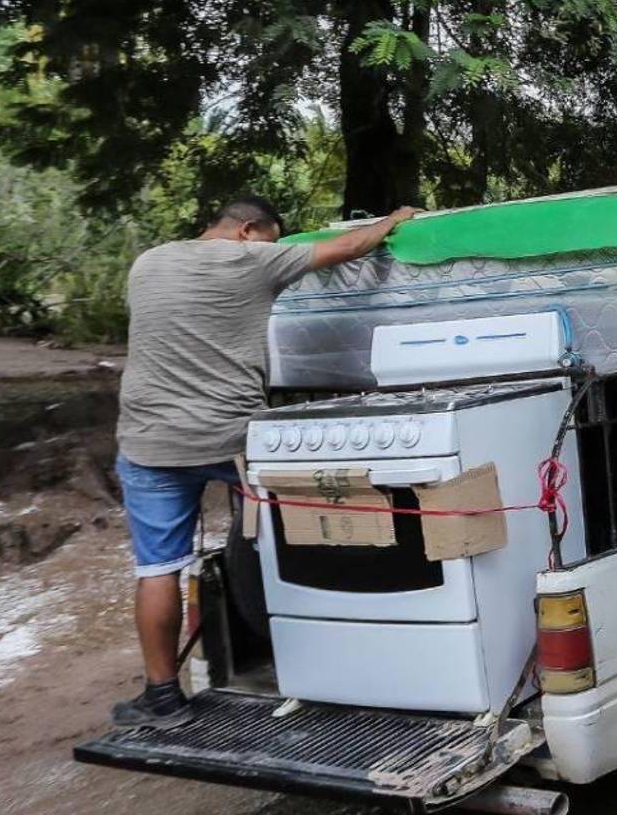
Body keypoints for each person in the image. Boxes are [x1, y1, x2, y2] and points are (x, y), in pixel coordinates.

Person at [112, 196, 419, 729]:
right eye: (273, 239)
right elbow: (351, 246)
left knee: (157, 569)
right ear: (248, 231)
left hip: (149, 443)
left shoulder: (148, 262)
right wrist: (392, 220)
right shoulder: (253, 259)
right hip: (233, 440)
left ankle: (162, 698)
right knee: (285, 538)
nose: (275, 250)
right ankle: (327, 663)